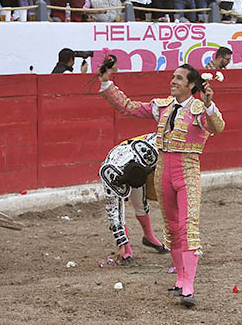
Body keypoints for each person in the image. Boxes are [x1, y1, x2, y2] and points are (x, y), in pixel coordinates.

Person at [97, 62, 225, 307]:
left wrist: (209, 104)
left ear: (191, 85)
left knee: (188, 228)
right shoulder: (163, 107)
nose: (173, 81)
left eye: (179, 78)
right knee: (173, 228)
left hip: (187, 173)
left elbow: (217, 127)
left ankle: (188, 287)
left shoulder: (200, 109)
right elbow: (129, 107)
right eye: (172, 77)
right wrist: (106, 83)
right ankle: (180, 280)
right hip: (163, 172)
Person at [100, 132, 167, 265]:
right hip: (119, 167)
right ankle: (127, 249)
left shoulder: (146, 150)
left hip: (134, 163)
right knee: (119, 210)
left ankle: (149, 237)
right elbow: (114, 212)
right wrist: (121, 244)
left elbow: (161, 136)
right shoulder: (110, 176)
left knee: (140, 203)